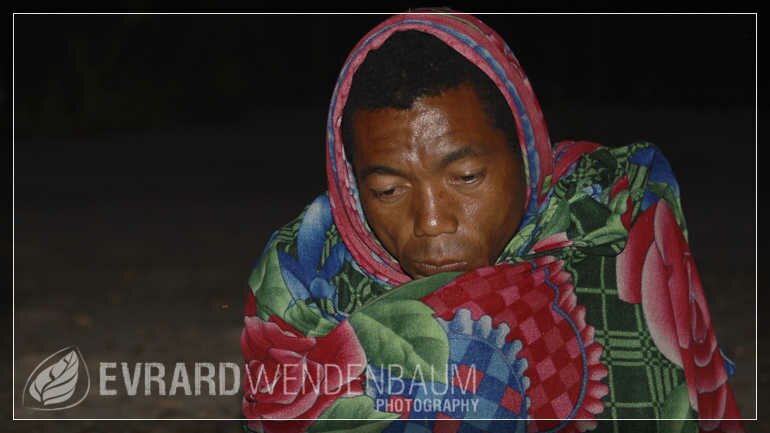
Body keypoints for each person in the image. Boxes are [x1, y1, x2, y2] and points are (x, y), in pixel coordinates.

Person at [240, 10, 743, 433]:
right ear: (350, 186)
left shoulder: (608, 221)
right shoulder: (304, 281)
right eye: (388, 191)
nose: (432, 221)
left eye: (466, 176)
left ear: (527, 153)